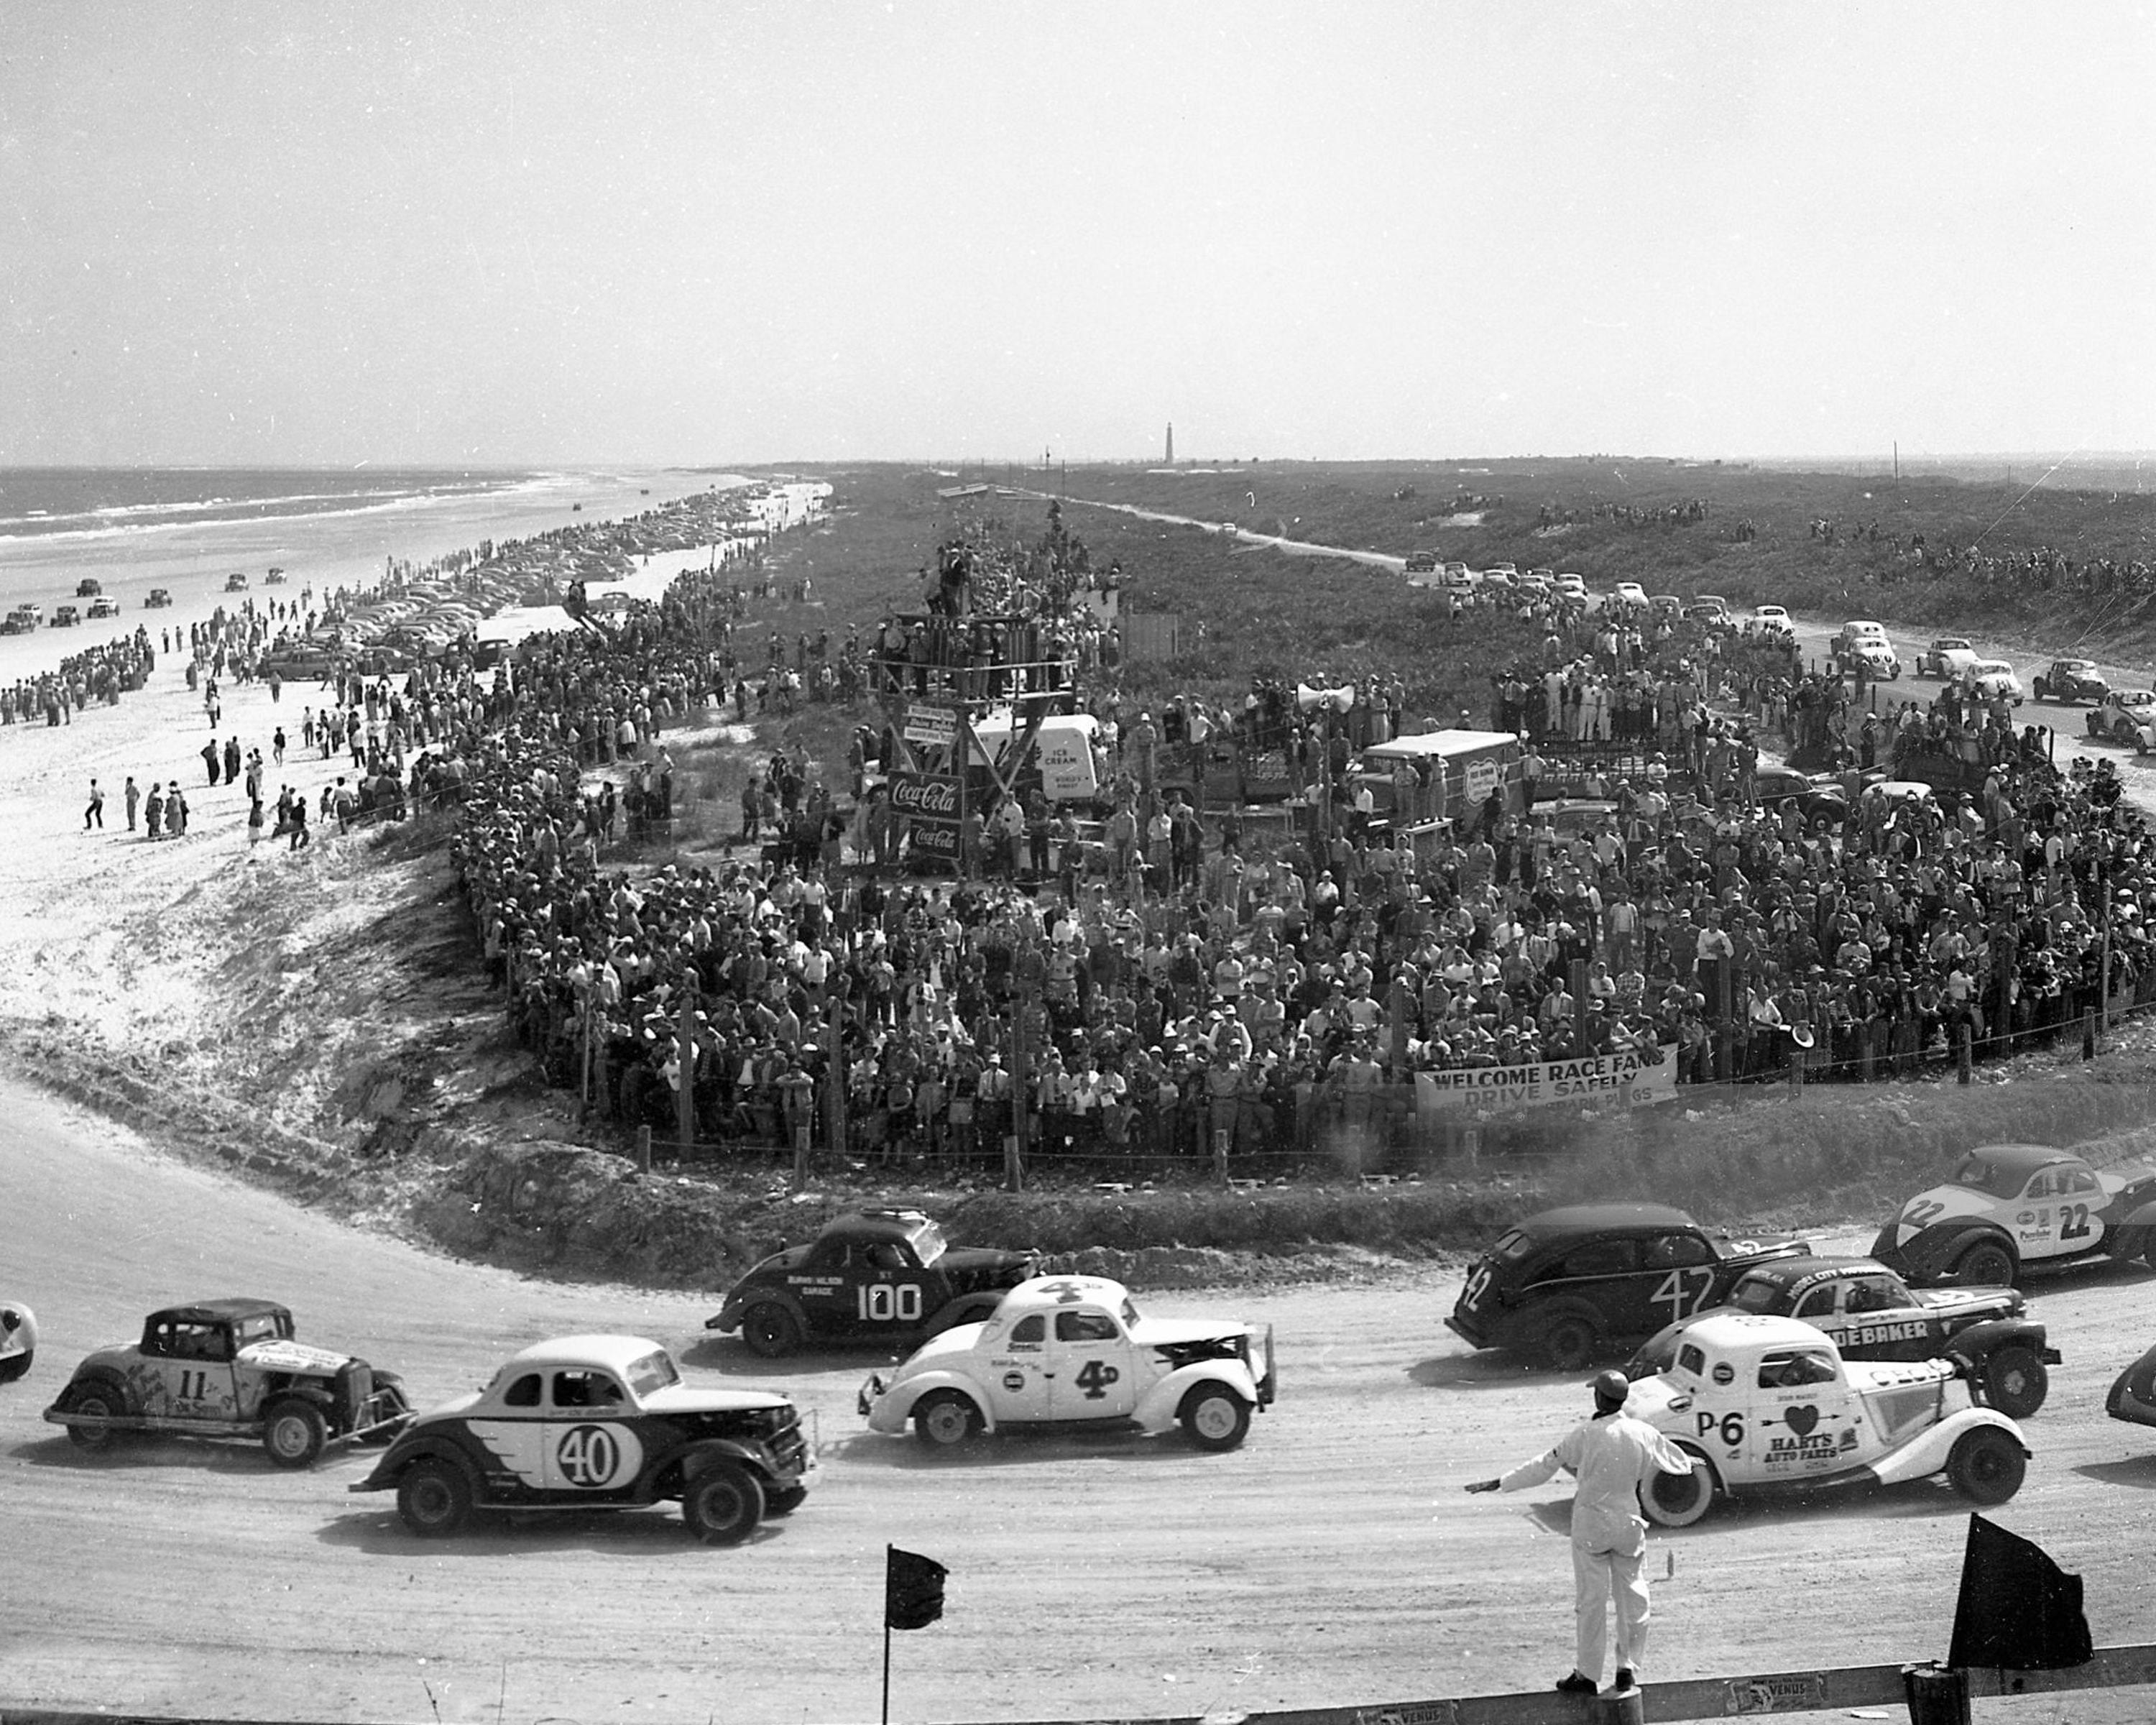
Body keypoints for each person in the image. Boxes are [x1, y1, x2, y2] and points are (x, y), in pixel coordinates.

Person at [1463, 1368, 1694, 1698]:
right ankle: (1627, 1670)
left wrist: (1502, 1482)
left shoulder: (1585, 1434)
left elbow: (1545, 1465)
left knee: (1591, 1602)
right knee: (1634, 1598)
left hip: (1592, 1526)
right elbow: (1676, 1460)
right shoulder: (1643, 1431)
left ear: (1599, 1397)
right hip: (1628, 1522)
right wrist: (1690, 1463)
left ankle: (1586, 1676)